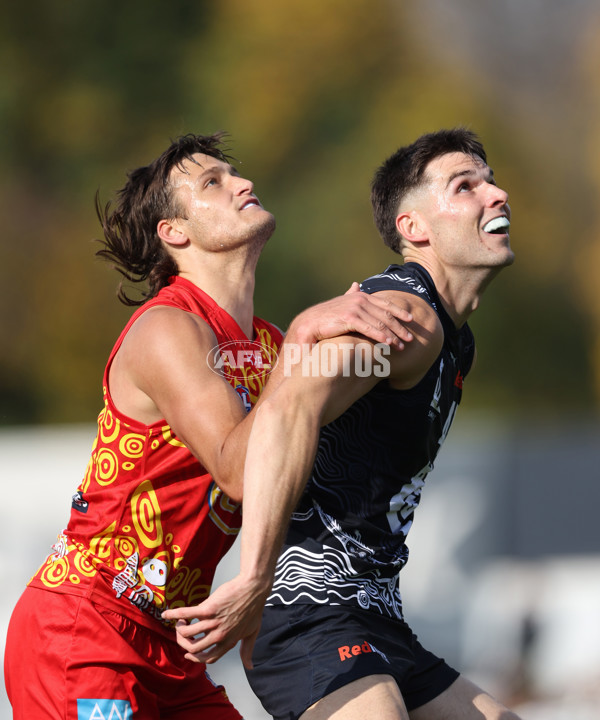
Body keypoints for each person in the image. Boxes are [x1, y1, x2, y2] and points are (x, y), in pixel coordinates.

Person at [3, 132, 414, 720]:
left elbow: (359, 391)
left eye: (234, 174)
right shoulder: (167, 328)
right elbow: (241, 468)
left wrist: (415, 338)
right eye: (212, 183)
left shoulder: (269, 346)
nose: (243, 184)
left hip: (173, 648)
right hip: (85, 626)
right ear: (175, 232)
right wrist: (306, 338)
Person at [164, 128, 523, 720]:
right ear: (415, 229)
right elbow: (288, 403)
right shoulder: (407, 318)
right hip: (308, 613)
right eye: (467, 186)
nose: (498, 194)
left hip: (377, 618)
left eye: (491, 180)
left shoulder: (452, 340)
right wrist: (253, 577)